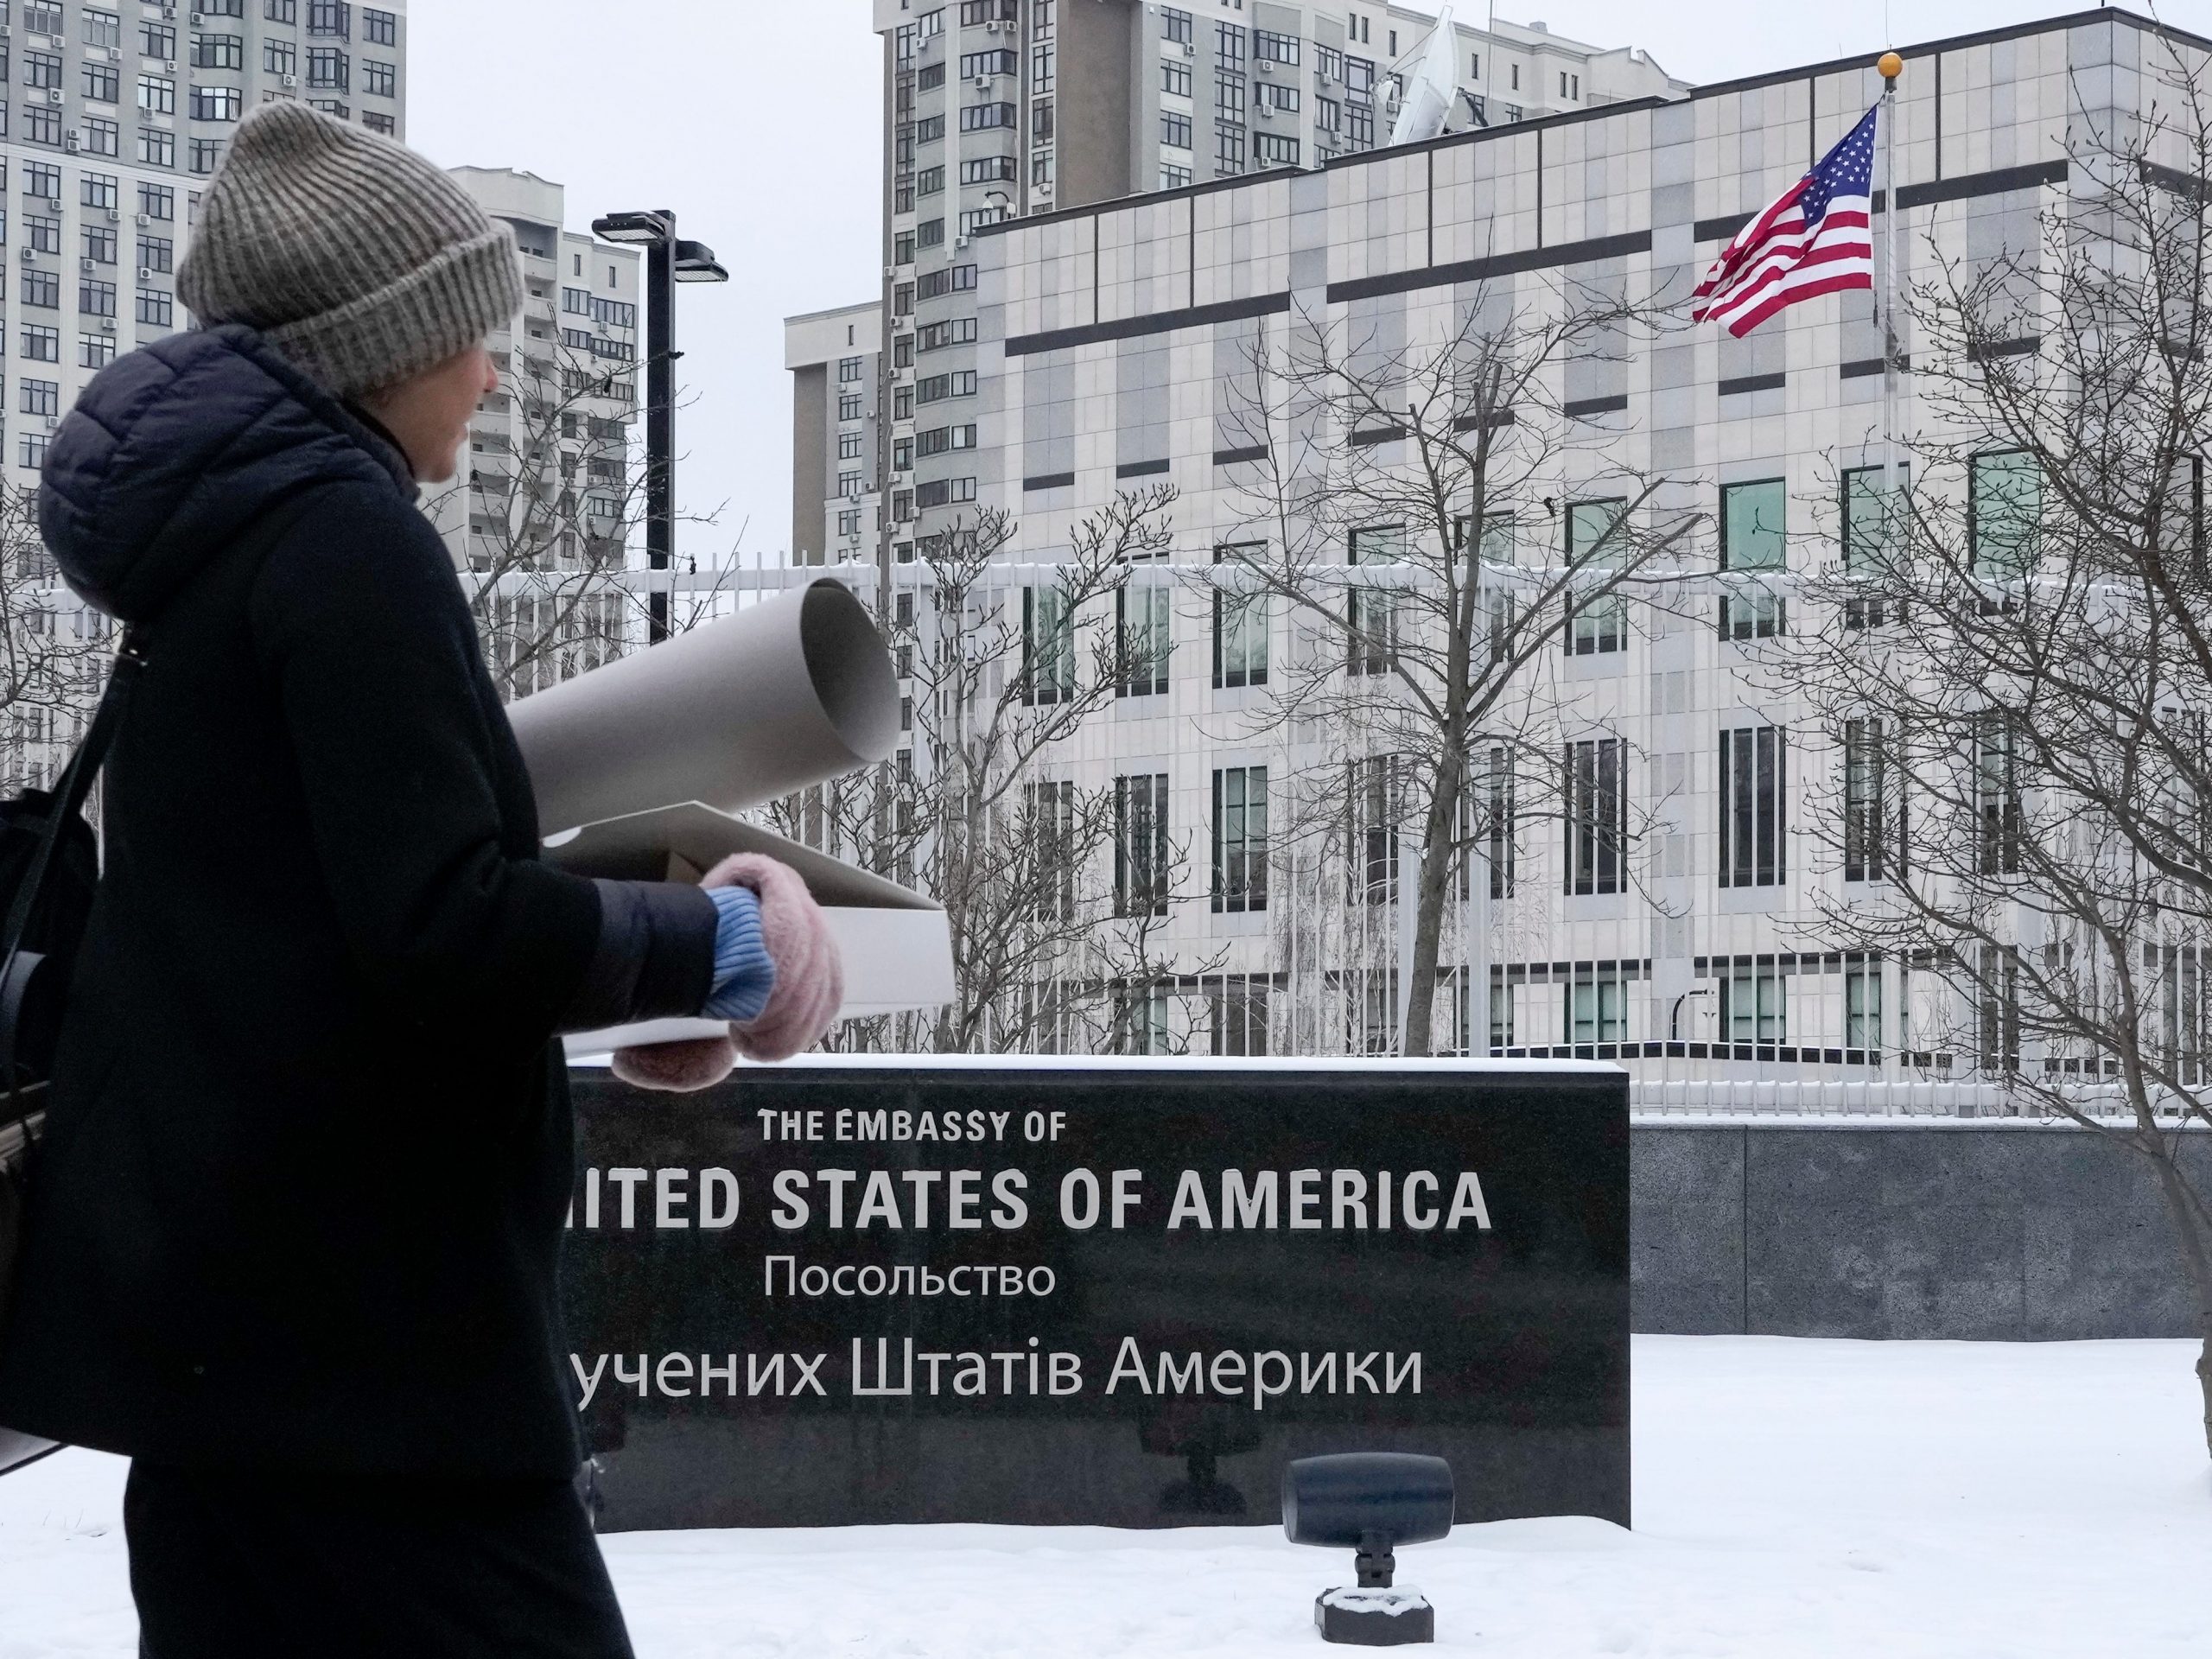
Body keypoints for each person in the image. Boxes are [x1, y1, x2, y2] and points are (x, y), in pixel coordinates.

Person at [0, 103, 839, 1657]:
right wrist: (725, 943)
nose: (493, 371)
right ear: (381, 345)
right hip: (377, 1392)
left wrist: (610, 961)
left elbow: (299, 944)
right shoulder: (347, 544)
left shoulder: (208, 557)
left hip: (225, 1368)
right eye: (472, 334)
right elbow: (439, 930)